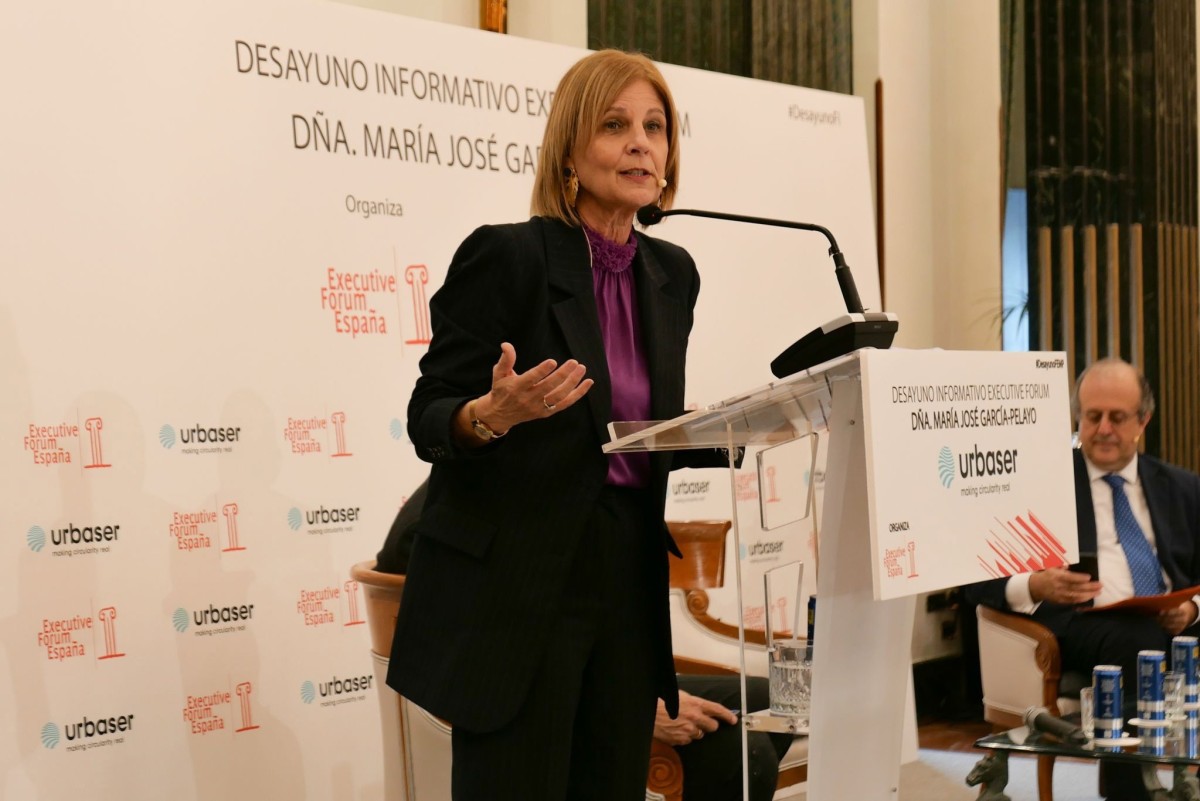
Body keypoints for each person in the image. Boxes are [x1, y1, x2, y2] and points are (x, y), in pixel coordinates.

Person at [387, 49, 737, 801]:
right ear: (571, 149)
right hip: (521, 582)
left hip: (625, 573)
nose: (641, 142)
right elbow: (429, 414)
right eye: (615, 125)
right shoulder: (508, 257)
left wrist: (735, 431)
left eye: (655, 126)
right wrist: (490, 415)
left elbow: (644, 429)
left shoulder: (673, 273)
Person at [378, 479, 792, 801]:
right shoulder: (485, 487)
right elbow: (408, 555)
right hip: (528, 688)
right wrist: (639, 707)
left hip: (604, 674)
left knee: (776, 697)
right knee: (741, 750)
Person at [967, 357, 1200, 800]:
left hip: (1173, 623)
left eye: (1118, 417)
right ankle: (1128, 794)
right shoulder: (1040, 483)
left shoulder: (1182, 488)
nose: (1104, 429)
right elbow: (975, 578)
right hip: (1080, 625)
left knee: (1161, 638)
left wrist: (1190, 610)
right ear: (1078, 417)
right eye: (1093, 417)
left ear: (1143, 420)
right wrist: (1035, 584)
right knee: (1139, 645)